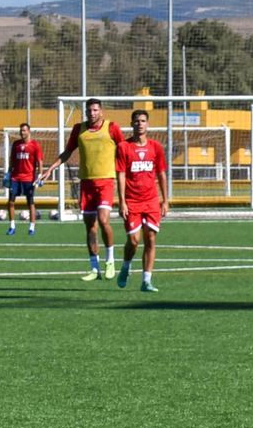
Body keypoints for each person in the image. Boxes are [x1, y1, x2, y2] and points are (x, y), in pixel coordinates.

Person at [41, 98, 122, 281]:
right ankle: (95, 269)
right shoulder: (79, 129)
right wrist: (49, 170)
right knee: (90, 228)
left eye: (95, 110)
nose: (92, 113)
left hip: (106, 182)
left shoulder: (111, 127)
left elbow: (123, 149)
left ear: (101, 112)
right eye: (89, 110)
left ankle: (110, 261)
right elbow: (68, 152)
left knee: (103, 220)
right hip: (86, 183)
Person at [114, 109, 167, 292]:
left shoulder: (156, 147)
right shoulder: (123, 147)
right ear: (132, 124)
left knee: (150, 239)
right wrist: (122, 201)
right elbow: (120, 174)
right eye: (136, 121)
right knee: (134, 240)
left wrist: (165, 201)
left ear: (148, 124)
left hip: (151, 201)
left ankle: (146, 281)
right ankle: (126, 266)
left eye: (143, 120)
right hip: (132, 201)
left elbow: (161, 174)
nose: (140, 124)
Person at [5, 123, 42, 236]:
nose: (22, 133)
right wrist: (8, 175)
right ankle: (12, 226)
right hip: (15, 177)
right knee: (11, 201)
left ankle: (32, 228)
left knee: (30, 202)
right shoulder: (15, 145)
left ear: (29, 132)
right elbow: (12, 161)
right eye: (21, 131)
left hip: (28, 178)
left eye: (24, 130)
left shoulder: (35, 145)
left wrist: (39, 176)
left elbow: (39, 162)